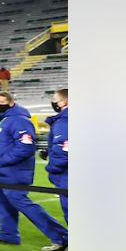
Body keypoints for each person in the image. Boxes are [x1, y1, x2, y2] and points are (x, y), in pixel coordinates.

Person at [0, 92, 67, 251]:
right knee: (0, 203)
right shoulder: (2, 120)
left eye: (1, 101)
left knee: (23, 204)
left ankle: (61, 236)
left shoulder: (19, 120)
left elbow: (25, 147)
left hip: (12, 172)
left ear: (11, 103)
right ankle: (8, 233)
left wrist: (2, 161)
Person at [43, 88, 69, 226]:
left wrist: (52, 168)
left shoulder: (64, 121)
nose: (54, 103)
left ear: (64, 101)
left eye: (55, 100)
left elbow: (64, 149)